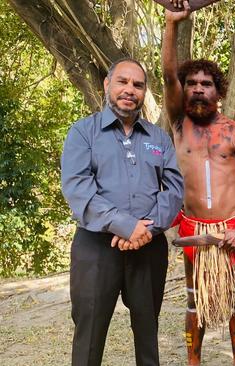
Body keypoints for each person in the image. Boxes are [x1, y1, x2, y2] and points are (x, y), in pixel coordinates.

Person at [61, 58, 184, 366]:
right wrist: (125, 225)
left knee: (147, 331)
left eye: (138, 85)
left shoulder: (158, 138)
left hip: (149, 246)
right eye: (123, 82)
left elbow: (174, 190)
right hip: (96, 248)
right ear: (107, 85)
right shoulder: (83, 132)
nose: (130, 90)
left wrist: (147, 229)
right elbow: (78, 189)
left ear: (144, 92)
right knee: (89, 334)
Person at [162, 4, 235, 365]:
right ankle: (194, 361)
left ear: (217, 90)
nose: (198, 90)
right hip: (195, 229)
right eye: (191, 84)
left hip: (231, 229)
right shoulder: (178, 124)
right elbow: (166, 74)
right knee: (195, 300)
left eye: (206, 84)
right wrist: (172, 25)